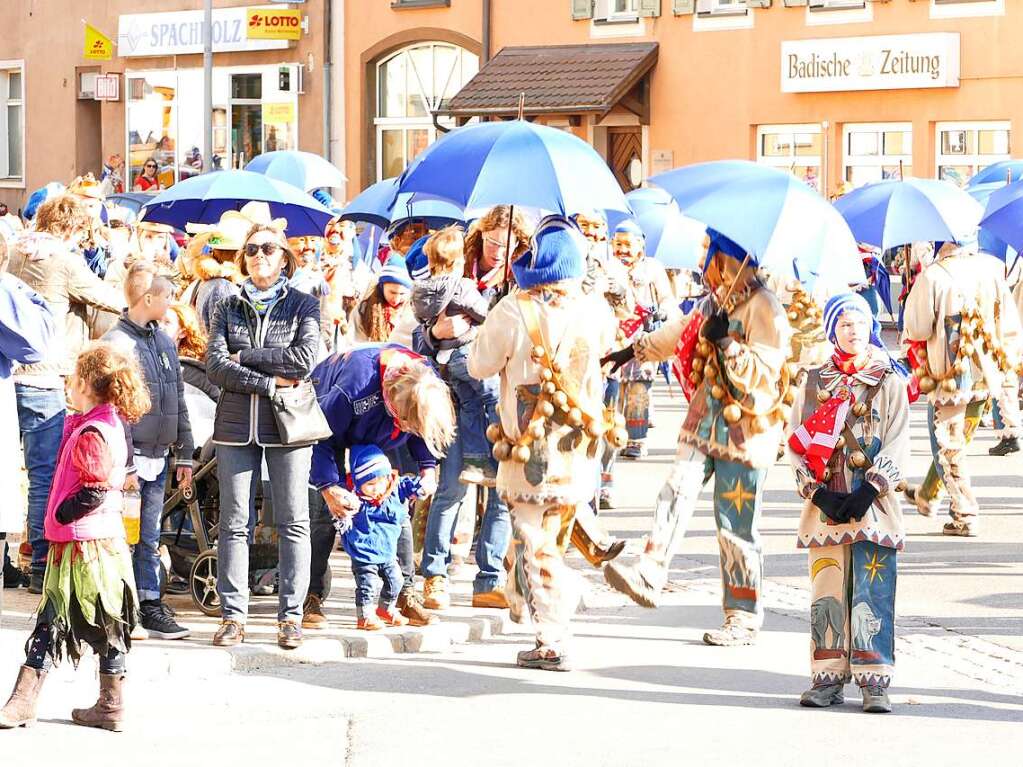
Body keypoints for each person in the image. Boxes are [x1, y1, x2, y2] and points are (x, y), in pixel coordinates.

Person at [602, 230, 791, 646]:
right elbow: (678, 332)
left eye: (708, 251)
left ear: (728, 257)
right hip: (704, 418)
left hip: (747, 431)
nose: (701, 257)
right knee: (676, 488)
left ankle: (742, 615)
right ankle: (649, 572)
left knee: (735, 524)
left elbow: (767, 374)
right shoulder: (714, 300)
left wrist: (727, 343)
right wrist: (631, 352)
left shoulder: (766, 307)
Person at [467, 215, 616, 671]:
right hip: (579, 445)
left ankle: (553, 637)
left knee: (536, 540)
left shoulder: (514, 309)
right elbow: (608, 364)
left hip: (527, 447)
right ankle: (532, 597)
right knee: (550, 536)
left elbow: (478, 366)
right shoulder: (596, 309)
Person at [0, 343, 150, 732]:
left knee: (53, 620)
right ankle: (111, 705)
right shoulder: (107, 421)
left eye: (73, 377)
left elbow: (94, 487)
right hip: (105, 543)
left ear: (85, 383)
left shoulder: (93, 431)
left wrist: (61, 516)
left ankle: (22, 702)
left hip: (83, 546)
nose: (68, 383)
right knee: (108, 623)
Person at [787, 293, 909, 714]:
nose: (852, 330)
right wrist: (816, 491)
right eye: (843, 324)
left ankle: (875, 680)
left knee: (872, 591)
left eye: (859, 322)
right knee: (828, 590)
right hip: (826, 505)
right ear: (831, 331)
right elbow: (796, 442)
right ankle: (826, 678)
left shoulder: (889, 379)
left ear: (870, 326)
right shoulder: (813, 382)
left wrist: (870, 488)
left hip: (873, 505)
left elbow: (898, 439)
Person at [205, 222, 320, 649]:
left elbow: (304, 359)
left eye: (268, 249)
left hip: (289, 425)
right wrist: (269, 383)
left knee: (294, 521)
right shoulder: (227, 306)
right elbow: (216, 367)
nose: (259, 256)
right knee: (235, 524)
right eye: (251, 250)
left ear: (284, 256)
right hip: (237, 425)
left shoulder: (303, 305)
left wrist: (246, 357)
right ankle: (233, 616)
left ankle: (291, 617)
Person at [5, 195, 125, 592]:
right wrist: (114, 266)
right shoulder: (64, 258)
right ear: (73, 227)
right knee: (43, 474)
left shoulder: (17, 249)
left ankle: (7, 558)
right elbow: (113, 300)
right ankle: (41, 562)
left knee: (8, 472)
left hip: (10, 372)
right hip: (45, 376)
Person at [417, 205, 531, 612]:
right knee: (451, 488)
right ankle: (434, 574)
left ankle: (489, 579)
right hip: (453, 393)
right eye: (493, 241)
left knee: (501, 493)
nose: (499, 250)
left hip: (503, 398)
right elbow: (418, 332)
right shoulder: (452, 269)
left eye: (508, 244)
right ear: (480, 236)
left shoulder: (521, 280)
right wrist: (434, 333)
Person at [305, 345, 455, 629]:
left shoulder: (425, 379)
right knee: (325, 517)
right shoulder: (355, 383)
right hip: (329, 426)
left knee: (396, 510)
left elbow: (420, 425)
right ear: (394, 404)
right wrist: (329, 488)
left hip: (381, 431)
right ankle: (310, 596)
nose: (411, 427)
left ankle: (405, 594)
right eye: (407, 422)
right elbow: (322, 438)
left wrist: (427, 468)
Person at [103, 263, 194, 640]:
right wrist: (124, 462)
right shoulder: (116, 343)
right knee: (125, 534)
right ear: (148, 298)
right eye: (168, 296)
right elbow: (115, 407)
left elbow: (178, 396)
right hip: (131, 456)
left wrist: (185, 452)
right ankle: (121, 606)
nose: (173, 302)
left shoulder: (164, 340)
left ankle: (149, 601)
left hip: (160, 453)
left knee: (150, 534)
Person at [902, 237, 998, 537]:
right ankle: (928, 495)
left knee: (947, 444)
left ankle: (964, 512)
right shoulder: (990, 268)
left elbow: (917, 327)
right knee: (958, 440)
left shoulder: (934, 275)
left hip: (950, 373)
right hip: (986, 368)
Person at [411, 226, 494, 484]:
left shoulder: (421, 291)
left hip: (446, 361)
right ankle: (502, 441)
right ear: (459, 260)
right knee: (493, 395)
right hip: (467, 354)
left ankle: (475, 461)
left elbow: (421, 323)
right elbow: (484, 314)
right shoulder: (462, 286)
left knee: (470, 405)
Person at [0, 259, 55, 591]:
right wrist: (21, 290)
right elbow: (35, 343)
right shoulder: (7, 288)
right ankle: (37, 562)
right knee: (41, 476)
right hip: (39, 384)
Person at [339, 445, 428, 630]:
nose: (376, 488)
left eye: (380, 481)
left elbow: (408, 484)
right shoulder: (355, 500)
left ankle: (386, 608)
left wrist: (422, 486)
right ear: (358, 483)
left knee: (397, 580)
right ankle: (365, 616)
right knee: (367, 585)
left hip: (387, 551)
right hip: (364, 551)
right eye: (370, 484)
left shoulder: (394, 489)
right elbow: (341, 512)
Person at [611, 219, 675, 459]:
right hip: (614, 336)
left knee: (639, 389)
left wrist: (663, 311)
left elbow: (668, 299)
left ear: (640, 246)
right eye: (618, 244)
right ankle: (616, 434)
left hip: (643, 335)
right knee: (616, 390)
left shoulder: (653, 268)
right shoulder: (608, 267)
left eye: (628, 245)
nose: (623, 250)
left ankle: (636, 439)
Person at [351, 254, 414, 345]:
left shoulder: (413, 313)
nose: (396, 299)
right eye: (392, 292)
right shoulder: (364, 310)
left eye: (402, 294)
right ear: (382, 287)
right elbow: (354, 342)